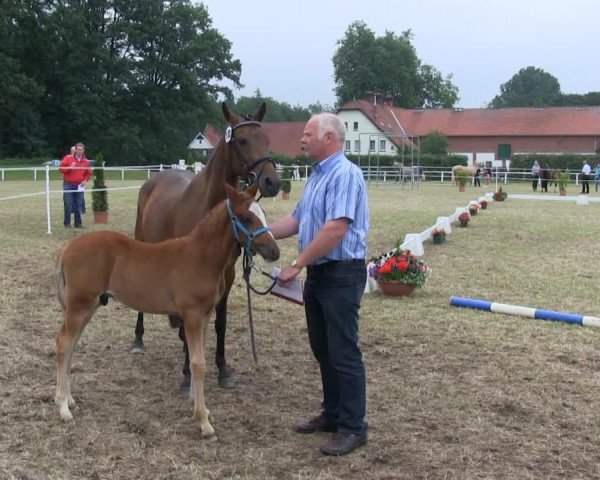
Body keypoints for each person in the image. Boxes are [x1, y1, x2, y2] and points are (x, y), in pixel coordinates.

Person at [268, 113, 370, 456]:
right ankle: (332, 414)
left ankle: (353, 427)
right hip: (321, 275)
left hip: (341, 274)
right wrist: (259, 233)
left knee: (344, 351)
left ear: (329, 138)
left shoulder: (345, 175)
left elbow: (335, 229)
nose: (302, 139)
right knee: (323, 349)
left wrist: (297, 263)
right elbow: (296, 220)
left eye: (307, 134)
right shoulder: (316, 177)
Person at [59, 142, 91, 228]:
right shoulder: (68, 158)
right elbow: (61, 169)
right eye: (78, 149)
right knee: (68, 204)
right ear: (75, 150)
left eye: (81, 149)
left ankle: (78, 223)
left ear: (83, 151)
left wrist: (85, 181)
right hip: (68, 185)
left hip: (80, 186)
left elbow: (88, 173)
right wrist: (69, 168)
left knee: (78, 205)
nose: (79, 151)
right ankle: (67, 223)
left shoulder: (86, 162)